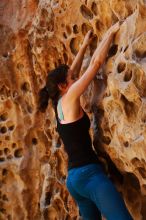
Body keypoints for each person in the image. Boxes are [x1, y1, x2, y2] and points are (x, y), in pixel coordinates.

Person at [38, 22, 133, 220]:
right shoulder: (70, 95)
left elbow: (73, 69)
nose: (75, 79)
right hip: (90, 175)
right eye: (72, 79)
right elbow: (96, 63)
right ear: (64, 86)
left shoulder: (58, 104)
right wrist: (110, 33)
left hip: (74, 181)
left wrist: (83, 45)